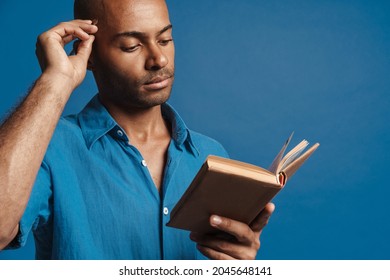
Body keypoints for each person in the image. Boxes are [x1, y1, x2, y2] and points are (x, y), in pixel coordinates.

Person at [0, 0, 275, 260]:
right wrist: (54, 81)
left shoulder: (212, 155)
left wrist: (237, 262)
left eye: (165, 39)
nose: (159, 59)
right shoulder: (48, 147)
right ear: (89, 54)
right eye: (132, 46)